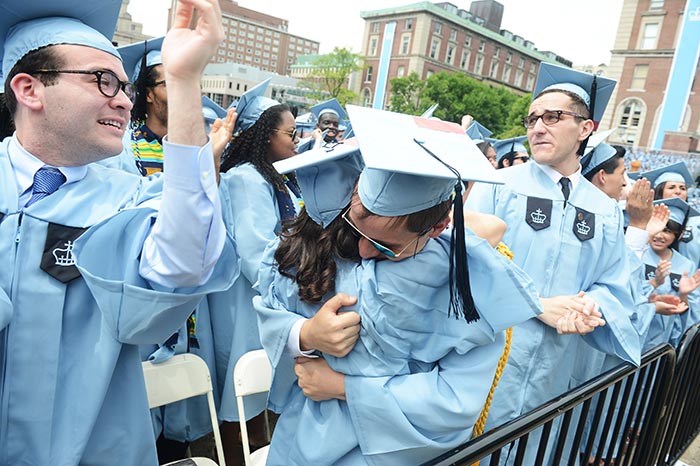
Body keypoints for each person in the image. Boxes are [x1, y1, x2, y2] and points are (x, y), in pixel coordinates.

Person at [0, 1, 237, 465]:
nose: (125, 100)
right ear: (29, 88)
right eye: (103, 80)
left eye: (126, 87)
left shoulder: (130, 202)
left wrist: (186, 82)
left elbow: (184, 264)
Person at [255, 106, 550, 465]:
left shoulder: (468, 286)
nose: (363, 251)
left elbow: (455, 401)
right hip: (304, 445)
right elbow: (271, 310)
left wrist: (345, 387)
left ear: (439, 227)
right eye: (356, 228)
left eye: (384, 246)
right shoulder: (320, 248)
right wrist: (304, 334)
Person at [466, 62, 640, 465]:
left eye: (553, 117)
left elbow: (616, 283)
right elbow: (468, 261)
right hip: (492, 361)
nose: (538, 127)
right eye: (532, 118)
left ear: (585, 129)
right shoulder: (498, 186)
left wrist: (589, 308)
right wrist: (536, 304)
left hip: (558, 370)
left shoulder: (604, 210)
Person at [216, 78, 302, 465]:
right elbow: (257, 254)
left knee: (260, 395)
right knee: (241, 396)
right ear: (266, 135)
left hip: (270, 299)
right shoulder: (245, 178)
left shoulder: (275, 178)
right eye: (291, 134)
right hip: (248, 302)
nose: (296, 142)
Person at [632, 162, 700, 269]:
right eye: (671, 187)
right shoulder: (641, 216)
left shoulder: (696, 223)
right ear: (659, 190)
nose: (678, 192)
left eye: (683, 188)